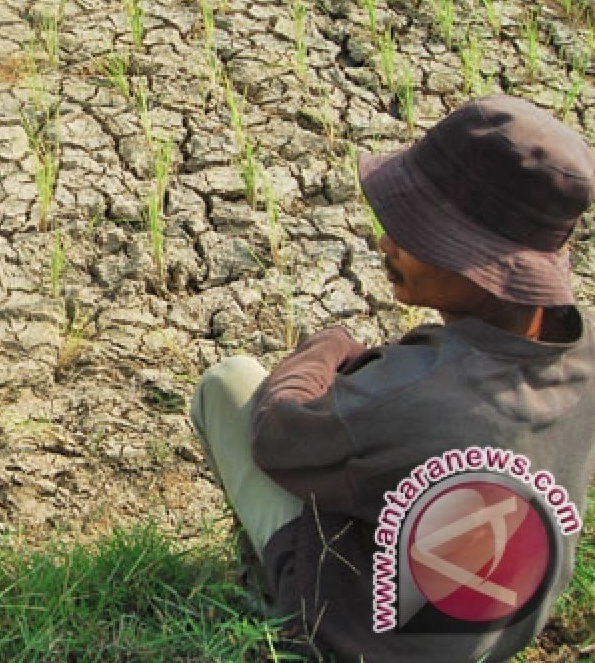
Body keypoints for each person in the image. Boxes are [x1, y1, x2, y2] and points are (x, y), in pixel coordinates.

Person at [189, 95, 595, 661]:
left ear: (480, 263)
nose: (385, 242)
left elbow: (279, 431)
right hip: (505, 626)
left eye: (413, 231)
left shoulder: (411, 393)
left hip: (363, 641)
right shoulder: (583, 351)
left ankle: (270, 591)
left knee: (228, 384)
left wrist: (326, 348)